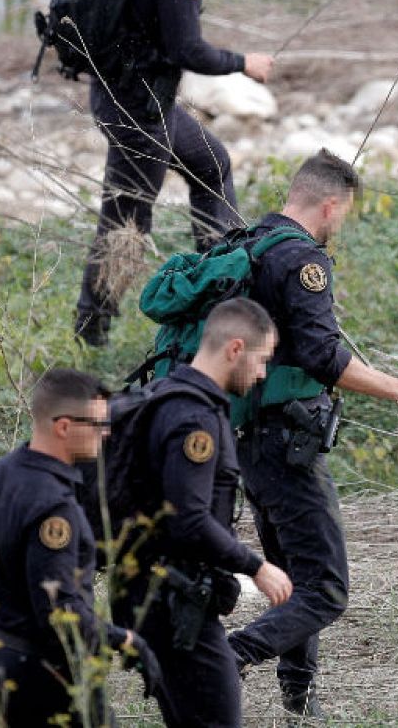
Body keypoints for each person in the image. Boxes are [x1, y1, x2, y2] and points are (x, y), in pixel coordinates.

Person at [225, 150, 398, 717]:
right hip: (286, 444)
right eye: (340, 215)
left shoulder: (247, 244)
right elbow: (323, 355)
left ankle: (300, 699)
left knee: (293, 580)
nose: (337, 226)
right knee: (325, 589)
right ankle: (228, 658)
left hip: (248, 438)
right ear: (328, 205)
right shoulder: (301, 261)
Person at [74, 0, 276, 347]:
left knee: (211, 164)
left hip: (119, 97)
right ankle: (94, 329)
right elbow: (189, 50)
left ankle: (221, 286)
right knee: (126, 223)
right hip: (141, 112)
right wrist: (244, 64)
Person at [123, 298, 294, 726]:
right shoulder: (193, 417)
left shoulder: (165, 394)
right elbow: (189, 518)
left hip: (154, 595)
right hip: (174, 600)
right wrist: (257, 566)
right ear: (235, 349)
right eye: (261, 360)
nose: (261, 374)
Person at [0, 370, 158, 727]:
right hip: (46, 679)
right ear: (63, 426)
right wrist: (126, 639)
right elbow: (60, 614)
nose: (106, 433)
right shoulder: (54, 505)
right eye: (98, 424)